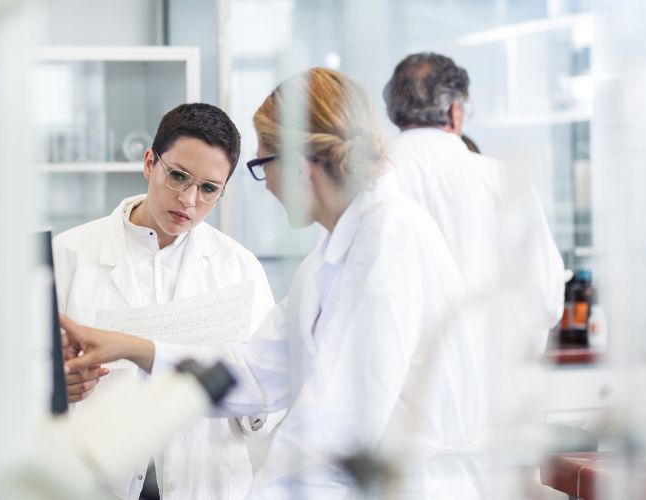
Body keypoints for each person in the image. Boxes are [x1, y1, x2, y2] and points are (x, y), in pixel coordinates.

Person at [62, 68, 488, 499]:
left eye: (262, 166)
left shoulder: (388, 244)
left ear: (301, 167)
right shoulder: (333, 253)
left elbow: (336, 431)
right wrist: (135, 348)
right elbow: (254, 371)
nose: (266, 187)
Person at [53, 103, 280, 500]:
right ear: (148, 163)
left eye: (209, 189)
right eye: (178, 176)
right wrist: (57, 384)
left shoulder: (239, 268)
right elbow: (13, 381)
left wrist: (252, 391)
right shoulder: (68, 255)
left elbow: (268, 402)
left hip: (204, 481)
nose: (189, 200)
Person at [382, 52, 564, 351]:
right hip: (489, 377)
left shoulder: (366, 179)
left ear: (394, 111)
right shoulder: (500, 179)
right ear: (455, 111)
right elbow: (544, 297)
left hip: (398, 382)